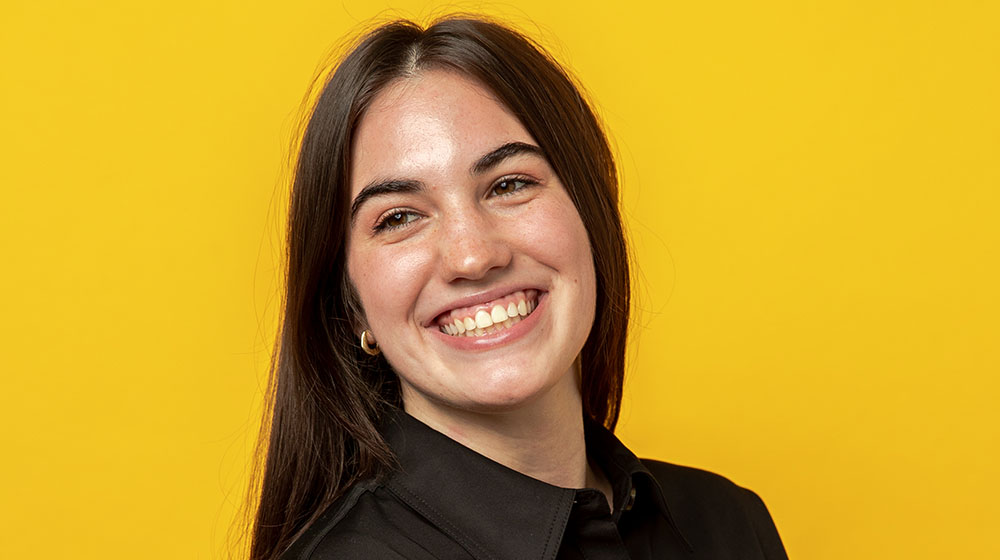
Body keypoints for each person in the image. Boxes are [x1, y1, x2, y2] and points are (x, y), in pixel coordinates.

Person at [249, 15, 788, 560]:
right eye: (398, 218)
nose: (473, 255)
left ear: (591, 213)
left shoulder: (728, 524)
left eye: (509, 185)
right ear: (352, 304)